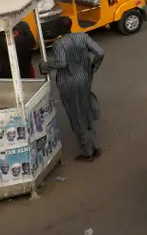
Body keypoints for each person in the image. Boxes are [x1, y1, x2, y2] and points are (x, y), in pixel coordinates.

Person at [42, 18, 104, 161]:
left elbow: (62, 63)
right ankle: (93, 146)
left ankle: (87, 152)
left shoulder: (58, 43)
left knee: (76, 115)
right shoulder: (82, 36)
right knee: (86, 110)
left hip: (69, 82)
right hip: (85, 79)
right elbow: (100, 52)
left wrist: (46, 66)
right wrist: (93, 67)